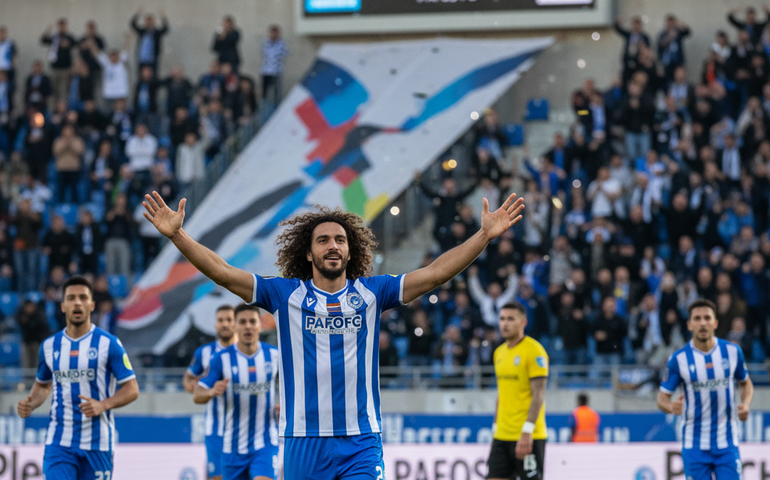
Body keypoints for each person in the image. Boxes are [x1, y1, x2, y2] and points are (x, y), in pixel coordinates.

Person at [141, 187, 525, 480]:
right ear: (308, 253)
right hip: (302, 441)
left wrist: (483, 237)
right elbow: (223, 272)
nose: (333, 246)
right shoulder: (284, 294)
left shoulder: (374, 293)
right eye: (323, 240)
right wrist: (178, 236)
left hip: (360, 440)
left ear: (350, 249)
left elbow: (437, 272)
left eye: (340, 240)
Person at [16, 275, 140, 480]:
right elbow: (43, 385)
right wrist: (31, 403)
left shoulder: (109, 344)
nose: (77, 303)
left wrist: (103, 404)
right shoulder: (49, 346)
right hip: (59, 443)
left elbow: (132, 388)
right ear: (63, 305)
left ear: (91, 305)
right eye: (71, 298)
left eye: (83, 297)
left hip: (97, 444)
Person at [657, 299, 754, 480]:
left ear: (715, 323)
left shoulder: (732, 352)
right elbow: (661, 399)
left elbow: (746, 382)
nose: (703, 323)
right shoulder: (678, 359)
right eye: (697, 318)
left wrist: (746, 404)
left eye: (707, 318)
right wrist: (671, 408)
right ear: (689, 324)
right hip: (694, 445)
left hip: (726, 443)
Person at [194, 304, 279, 480]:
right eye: (242, 322)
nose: (248, 326)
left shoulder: (275, 356)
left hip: (265, 444)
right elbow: (198, 394)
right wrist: (210, 392)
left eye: (252, 321)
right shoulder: (221, 359)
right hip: (231, 447)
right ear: (235, 326)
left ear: (259, 325)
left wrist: (285, 406)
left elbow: (294, 386)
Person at [487, 302, 548, 480]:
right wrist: (495, 428)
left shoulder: (535, 351)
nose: (505, 324)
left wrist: (527, 432)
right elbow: (502, 394)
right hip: (502, 435)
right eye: (502, 319)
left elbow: (539, 395)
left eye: (511, 319)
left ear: (523, 322)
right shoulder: (499, 352)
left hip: (528, 436)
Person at [184, 304, 237, 480]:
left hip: (244, 428)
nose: (225, 324)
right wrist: (199, 389)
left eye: (229, 320)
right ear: (215, 324)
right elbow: (188, 379)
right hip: (215, 428)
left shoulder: (250, 352)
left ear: (235, 323)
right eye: (221, 320)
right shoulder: (204, 352)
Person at [260, 25, 288, 108]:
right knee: (265, 92)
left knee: (276, 93)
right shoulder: (266, 43)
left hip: (276, 71)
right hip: (266, 71)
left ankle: (276, 107)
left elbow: (285, 53)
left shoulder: (282, 44)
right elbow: (264, 54)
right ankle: (264, 108)